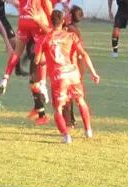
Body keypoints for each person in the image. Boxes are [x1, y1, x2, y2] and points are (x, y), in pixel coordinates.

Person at [0, 0, 53, 125]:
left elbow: (22, 6)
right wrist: (52, 24)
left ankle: (6, 78)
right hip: (39, 23)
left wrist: (8, 0)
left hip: (23, 22)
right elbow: (46, 3)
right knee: (40, 57)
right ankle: (43, 86)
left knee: (17, 52)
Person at [32, 9, 100, 144]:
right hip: (73, 73)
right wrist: (93, 73)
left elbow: (37, 61)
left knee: (58, 108)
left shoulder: (44, 39)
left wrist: (44, 58)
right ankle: (88, 130)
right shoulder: (71, 36)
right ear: (63, 22)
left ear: (51, 22)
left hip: (59, 76)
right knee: (80, 101)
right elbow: (84, 54)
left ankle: (66, 136)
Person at [62, 5, 86, 127]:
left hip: (71, 65)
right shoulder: (74, 28)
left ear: (70, 15)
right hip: (77, 65)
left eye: (67, 12)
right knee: (74, 94)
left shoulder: (69, 29)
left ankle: (68, 120)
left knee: (68, 93)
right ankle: (71, 118)